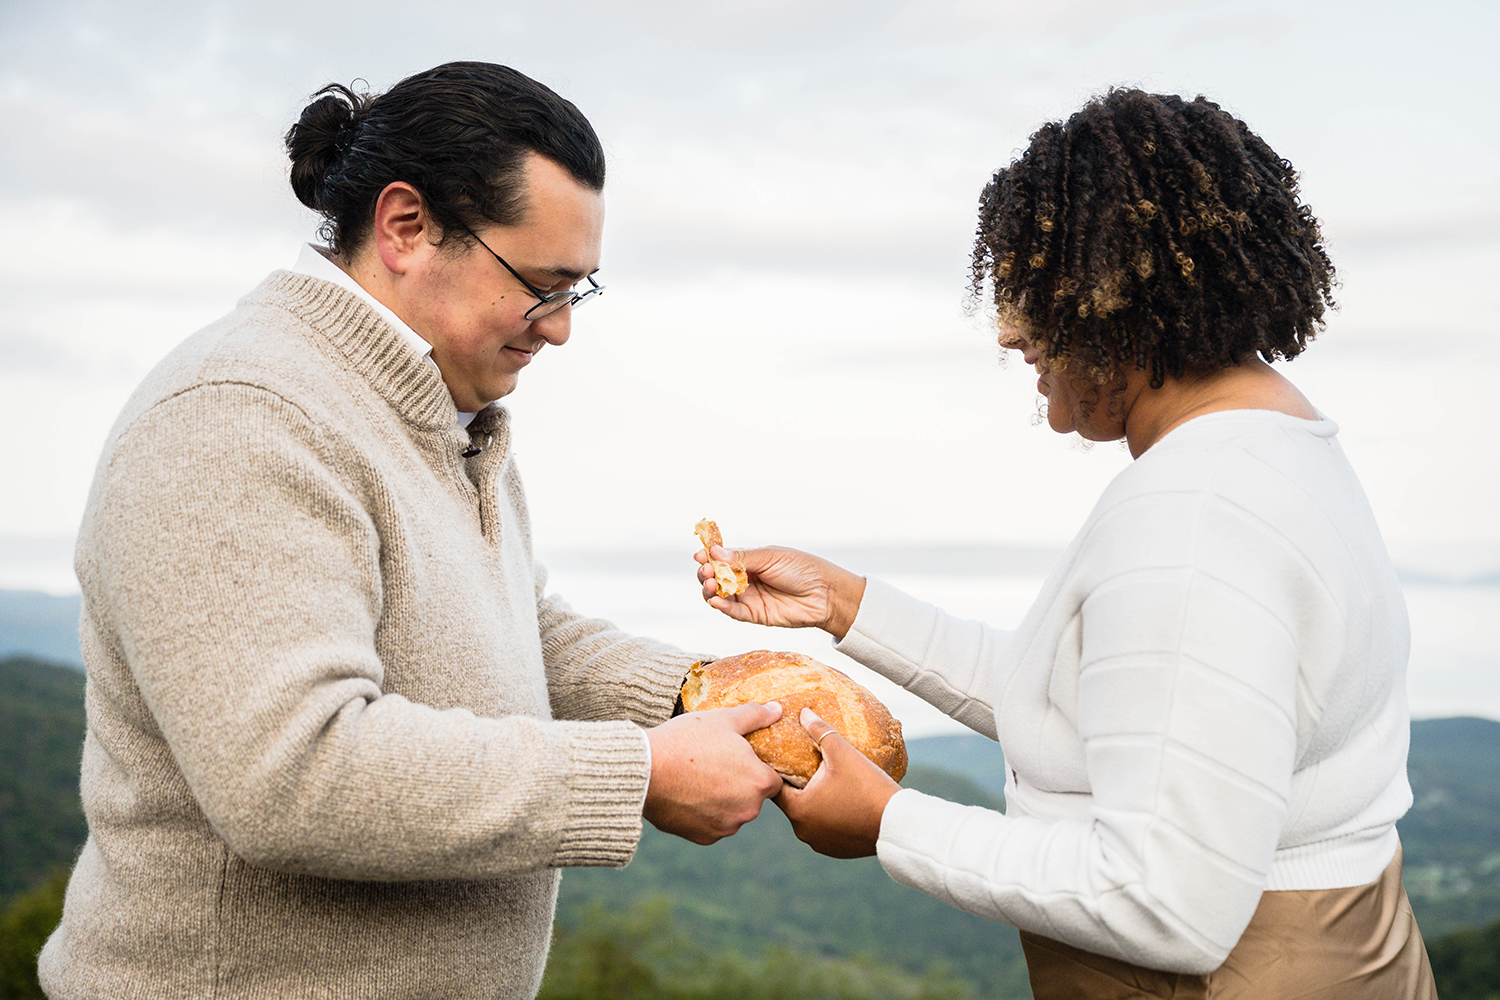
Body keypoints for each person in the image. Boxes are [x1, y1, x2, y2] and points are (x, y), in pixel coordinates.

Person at [40, 61, 783, 1000]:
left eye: (577, 292)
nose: (559, 331)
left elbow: (516, 633)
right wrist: (636, 774)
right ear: (405, 227)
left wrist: (707, 694)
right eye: (542, 286)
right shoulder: (238, 416)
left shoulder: (438, 411)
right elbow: (295, 775)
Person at [698, 89, 1437, 998]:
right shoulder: (1277, 451)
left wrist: (890, 822)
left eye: (1031, 295)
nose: (1010, 335)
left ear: (1123, 296)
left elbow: (1164, 900)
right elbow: (1113, 710)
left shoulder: (1195, 515)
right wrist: (849, 605)